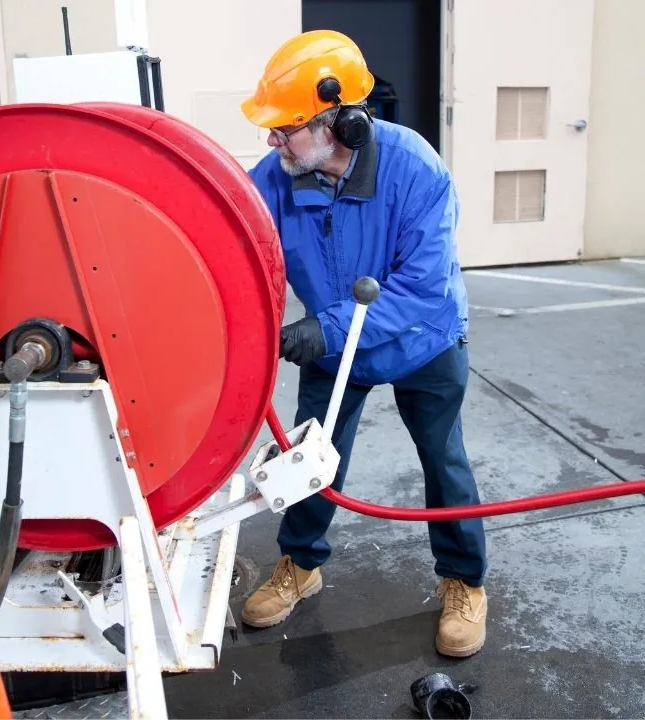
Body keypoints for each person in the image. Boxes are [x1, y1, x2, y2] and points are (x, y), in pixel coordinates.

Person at [240, 30, 488, 658]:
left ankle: (463, 580)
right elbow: (227, 232)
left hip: (422, 342)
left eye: (286, 128)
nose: (273, 141)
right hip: (333, 351)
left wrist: (323, 328)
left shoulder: (416, 170)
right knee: (309, 459)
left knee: (443, 457)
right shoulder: (277, 178)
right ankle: (301, 563)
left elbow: (423, 289)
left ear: (341, 124)